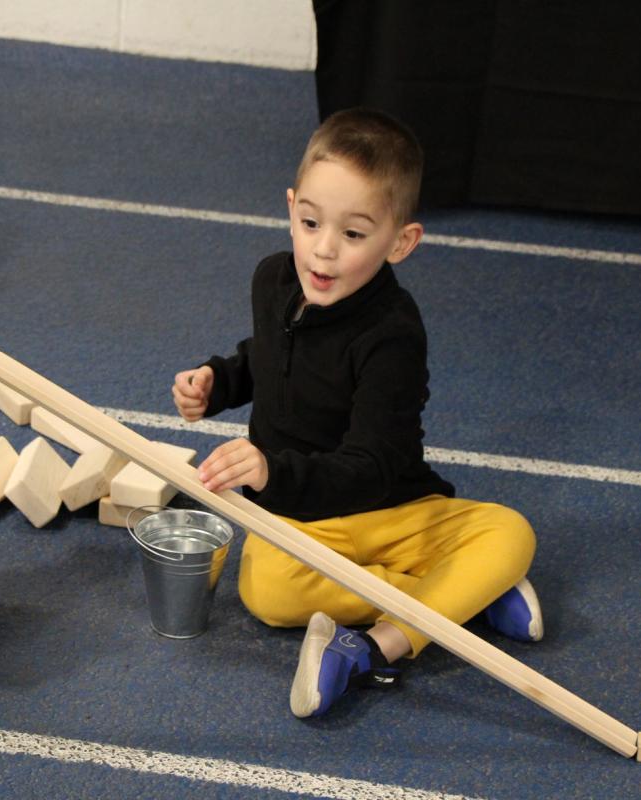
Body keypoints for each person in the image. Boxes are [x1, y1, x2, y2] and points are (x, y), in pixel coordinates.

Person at [171, 108, 542, 718]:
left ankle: (378, 644)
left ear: (401, 242)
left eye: (353, 234)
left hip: (387, 504)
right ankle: (462, 597)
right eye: (310, 221)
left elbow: (370, 466)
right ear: (291, 206)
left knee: (510, 532)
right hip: (303, 518)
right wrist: (219, 382)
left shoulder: (392, 334)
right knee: (267, 588)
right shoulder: (272, 279)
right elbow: (268, 355)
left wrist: (271, 472)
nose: (322, 250)